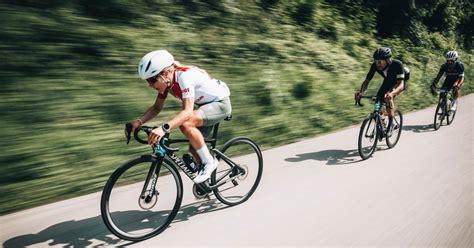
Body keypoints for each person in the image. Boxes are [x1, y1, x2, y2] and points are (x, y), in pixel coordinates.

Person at [125, 50, 232, 183]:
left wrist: (163, 129)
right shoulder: (168, 84)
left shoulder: (184, 77)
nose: (150, 85)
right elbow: (157, 107)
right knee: (194, 148)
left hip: (220, 104)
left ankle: (210, 163)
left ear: (167, 72)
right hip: (205, 107)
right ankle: (207, 184)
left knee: (186, 124)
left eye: (153, 80)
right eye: (148, 81)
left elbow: (187, 112)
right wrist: (138, 122)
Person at [355, 47, 408, 135]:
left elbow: (401, 85)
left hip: (398, 83)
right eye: (376, 61)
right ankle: (382, 121)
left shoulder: (397, 64)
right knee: (378, 100)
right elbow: (367, 81)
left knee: (388, 97)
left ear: (387, 60)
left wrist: (392, 93)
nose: (378, 64)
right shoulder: (375, 66)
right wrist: (361, 92)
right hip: (388, 81)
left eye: (380, 62)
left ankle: (390, 125)